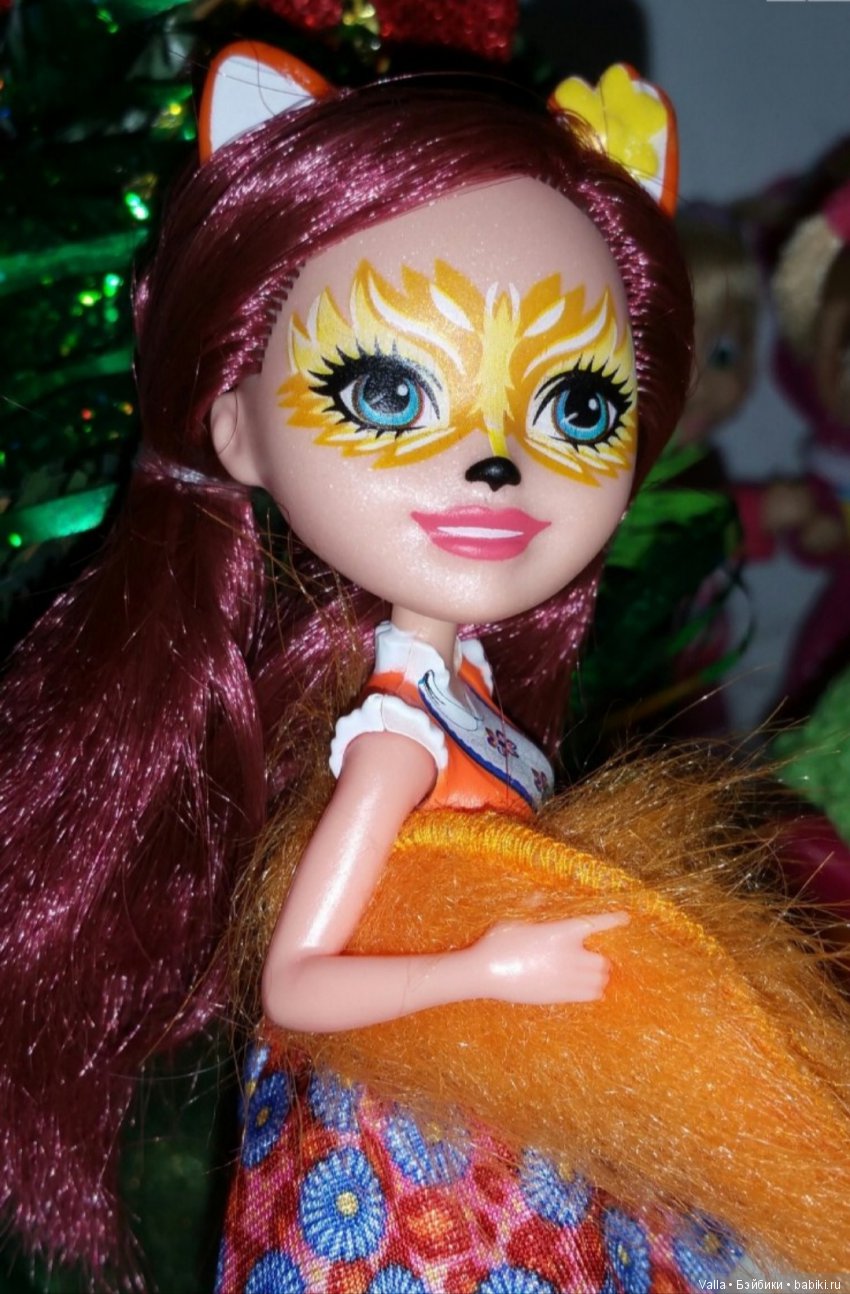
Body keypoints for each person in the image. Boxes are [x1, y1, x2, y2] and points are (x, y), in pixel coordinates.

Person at [3, 45, 850, 1292]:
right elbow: (296, 985)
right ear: (238, 422)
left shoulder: (463, 692)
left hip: (483, 1115)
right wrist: (490, 968)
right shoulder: (395, 739)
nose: (496, 462)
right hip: (399, 1164)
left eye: (575, 409)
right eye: (390, 393)